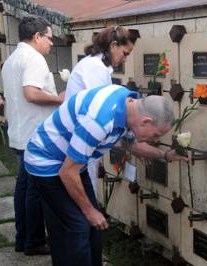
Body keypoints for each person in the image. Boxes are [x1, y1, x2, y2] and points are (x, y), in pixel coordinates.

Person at [24, 84, 186, 266]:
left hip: (73, 164)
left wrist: (165, 155)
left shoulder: (129, 106)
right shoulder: (99, 121)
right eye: (156, 134)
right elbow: (67, 172)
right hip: (47, 162)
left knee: (94, 226)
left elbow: (132, 144)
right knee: (77, 227)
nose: (155, 139)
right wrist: (89, 210)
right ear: (146, 121)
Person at [1, 15, 65, 255]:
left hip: (19, 131)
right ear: (37, 36)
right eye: (49, 38)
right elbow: (31, 93)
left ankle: (23, 238)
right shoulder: (34, 58)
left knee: (24, 187)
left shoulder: (12, 58)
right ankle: (34, 241)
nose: (51, 43)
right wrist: (58, 98)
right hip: (33, 135)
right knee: (36, 190)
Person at [65, 25, 136, 193]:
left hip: (83, 139)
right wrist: (130, 133)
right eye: (125, 54)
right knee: (84, 197)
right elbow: (101, 108)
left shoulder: (97, 65)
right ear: (113, 45)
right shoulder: (95, 67)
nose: (125, 59)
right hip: (79, 141)